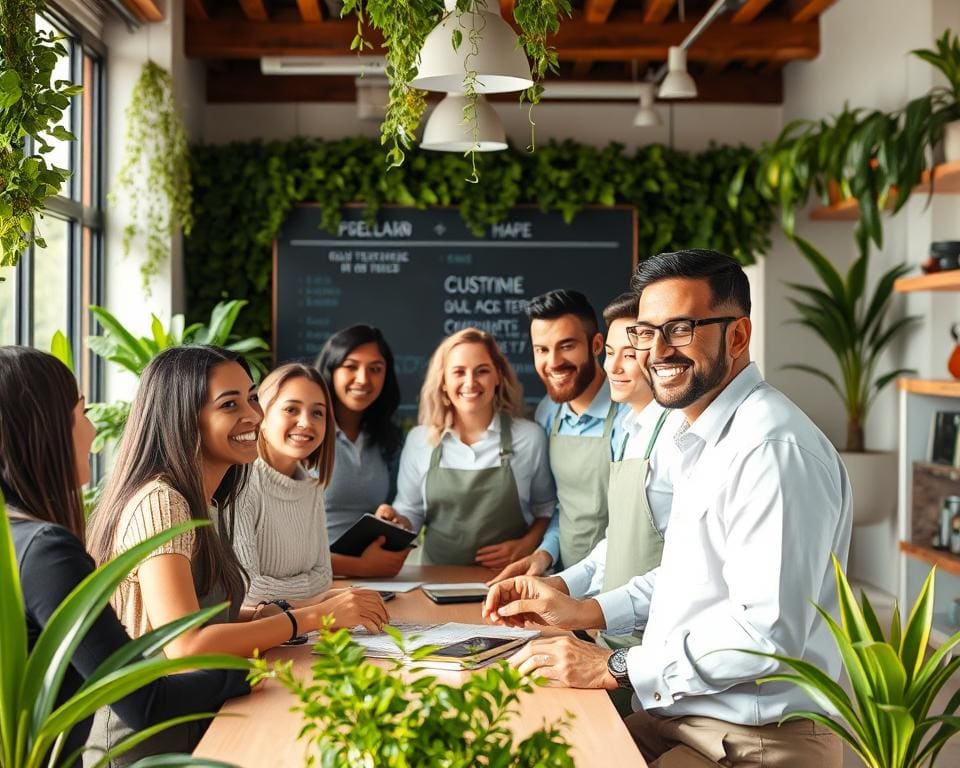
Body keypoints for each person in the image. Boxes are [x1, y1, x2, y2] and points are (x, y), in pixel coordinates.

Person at [484, 250, 852, 767]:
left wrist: (614, 664)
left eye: (680, 329)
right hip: (685, 714)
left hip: (755, 737)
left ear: (738, 336)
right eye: (645, 331)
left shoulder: (771, 448)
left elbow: (767, 634)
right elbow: (687, 575)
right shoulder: (697, 433)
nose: (655, 351)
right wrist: (582, 608)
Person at [87, 346, 388, 764]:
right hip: (145, 745)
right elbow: (186, 644)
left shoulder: (206, 501)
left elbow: (199, 616)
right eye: (230, 404)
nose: (253, 415)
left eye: (251, 399)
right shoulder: (161, 503)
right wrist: (312, 617)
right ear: (183, 416)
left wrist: (267, 613)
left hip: (194, 718)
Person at [0, 346, 249, 766]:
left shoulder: (17, 537)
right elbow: (143, 700)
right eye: (81, 412)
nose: (94, 431)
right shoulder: (46, 552)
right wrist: (252, 674)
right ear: (43, 427)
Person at [545, 292, 681, 647]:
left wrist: (588, 609)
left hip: (654, 647)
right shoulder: (629, 431)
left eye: (630, 355)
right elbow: (619, 542)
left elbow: (687, 570)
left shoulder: (679, 438)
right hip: (612, 637)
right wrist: (560, 585)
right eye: (610, 353)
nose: (613, 368)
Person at [377, 328, 556, 568]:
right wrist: (396, 520)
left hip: (508, 580)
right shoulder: (420, 440)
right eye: (459, 372)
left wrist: (526, 545)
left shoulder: (529, 437)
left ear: (498, 377)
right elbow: (411, 511)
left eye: (482, 371)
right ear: (443, 382)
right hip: (434, 579)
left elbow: (546, 509)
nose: (470, 382)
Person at [232, 362, 390, 616]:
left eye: (318, 413)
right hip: (254, 641)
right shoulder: (240, 485)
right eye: (291, 409)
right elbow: (247, 590)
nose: (306, 423)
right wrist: (315, 597)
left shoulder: (311, 487)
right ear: (260, 417)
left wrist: (308, 596)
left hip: (297, 632)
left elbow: (324, 577)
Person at [491, 289, 626, 580]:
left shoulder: (630, 416)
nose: (553, 362)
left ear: (596, 344)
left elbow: (632, 524)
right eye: (542, 349)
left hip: (619, 584)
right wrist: (544, 555)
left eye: (567, 346)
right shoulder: (548, 413)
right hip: (563, 580)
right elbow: (561, 508)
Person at [315, 325, 411, 577]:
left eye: (375, 369)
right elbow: (280, 550)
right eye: (351, 366)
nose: (363, 379)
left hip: (377, 580)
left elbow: (389, 508)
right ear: (331, 369)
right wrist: (360, 566)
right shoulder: (306, 434)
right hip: (317, 583)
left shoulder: (387, 439)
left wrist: (391, 519)